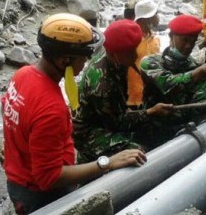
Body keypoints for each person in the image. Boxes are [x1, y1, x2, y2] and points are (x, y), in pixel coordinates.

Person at [1, 13, 147, 214]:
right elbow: (49, 178)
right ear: (64, 61)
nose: (86, 64)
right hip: (40, 196)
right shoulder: (51, 108)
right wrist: (107, 163)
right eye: (84, 58)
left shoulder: (23, 74)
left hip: (18, 180)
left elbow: (8, 112)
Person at [73, 19, 174, 162]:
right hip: (90, 132)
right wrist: (150, 112)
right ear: (114, 54)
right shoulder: (102, 85)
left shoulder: (117, 58)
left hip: (110, 116)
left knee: (156, 128)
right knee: (137, 152)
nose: (135, 55)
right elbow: (117, 123)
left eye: (134, 49)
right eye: (130, 52)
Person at [140, 15, 206, 128]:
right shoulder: (150, 62)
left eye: (193, 42)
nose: (188, 46)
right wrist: (199, 72)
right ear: (171, 36)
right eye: (185, 40)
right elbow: (168, 85)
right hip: (153, 131)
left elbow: (201, 98)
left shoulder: (193, 66)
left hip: (184, 132)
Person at [127, 0, 161, 108]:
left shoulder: (155, 38)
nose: (158, 17)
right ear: (146, 18)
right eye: (155, 13)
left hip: (149, 94)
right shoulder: (130, 37)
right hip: (131, 97)